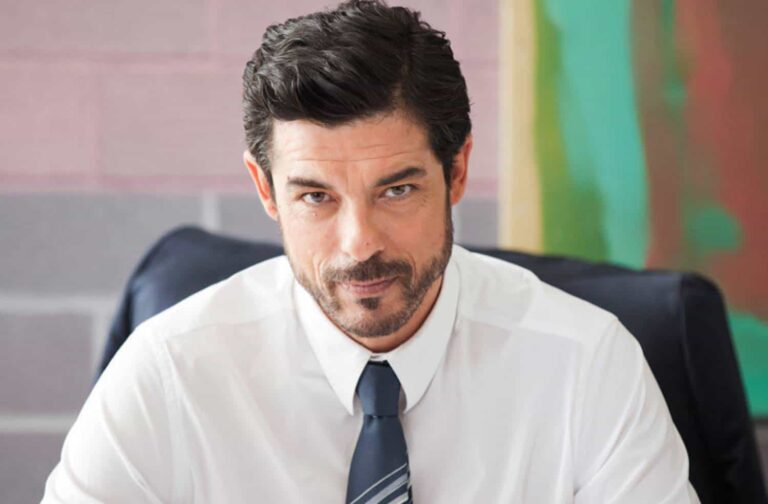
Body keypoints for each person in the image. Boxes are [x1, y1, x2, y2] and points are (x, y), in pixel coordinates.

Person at [42, 1, 699, 502]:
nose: (359, 244)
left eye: (397, 190)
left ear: (457, 171)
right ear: (265, 189)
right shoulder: (168, 373)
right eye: (315, 197)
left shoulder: (587, 365)